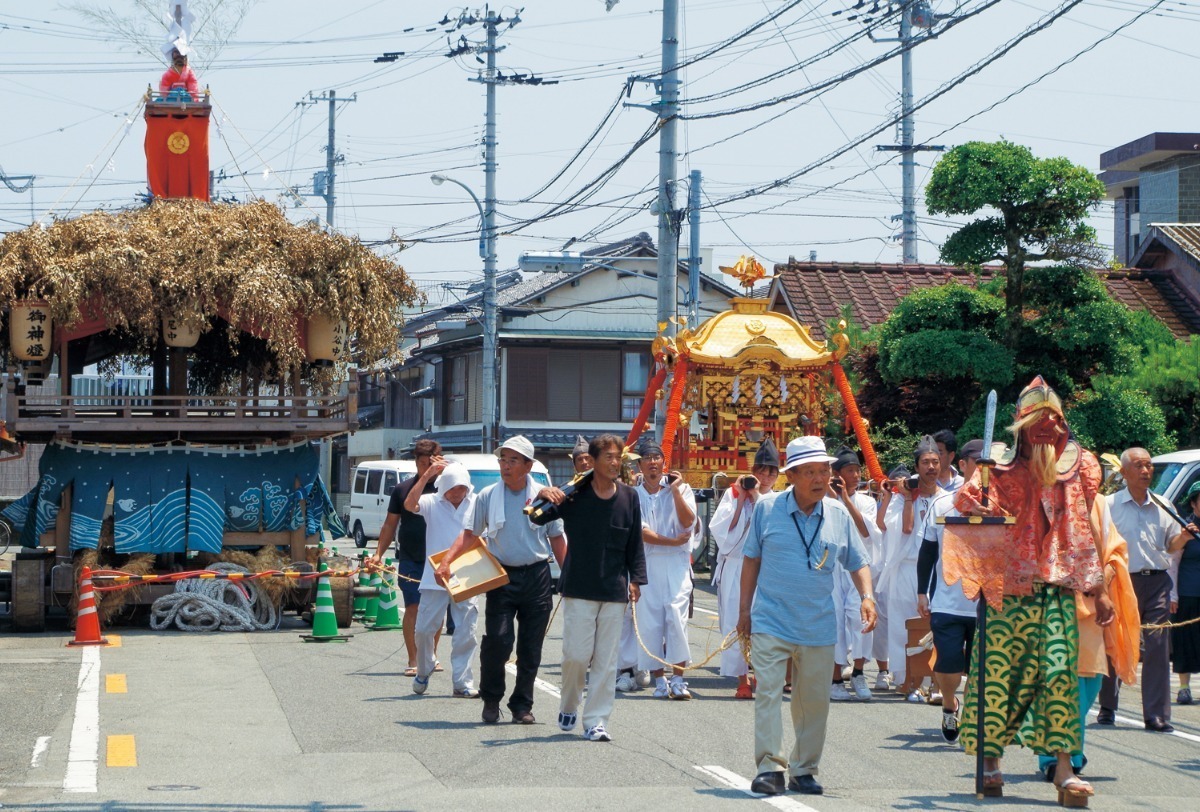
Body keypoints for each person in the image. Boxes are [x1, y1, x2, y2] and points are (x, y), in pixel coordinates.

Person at [952, 376, 1114, 804]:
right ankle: (990, 761)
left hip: (1056, 587)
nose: (1048, 431)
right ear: (1020, 428)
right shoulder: (996, 469)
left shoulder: (1079, 469)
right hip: (1007, 590)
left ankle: (1063, 768)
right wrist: (982, 502)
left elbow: (1082, 529)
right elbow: (965, 504)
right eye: (1039, 422)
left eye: (1055, 422)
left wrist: (1098, 590)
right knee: (997, 675)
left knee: (1060, 676)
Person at [740, 436, 877, 797]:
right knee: (768, 693)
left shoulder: (837, 514)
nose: (820, 478)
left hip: (818, 623)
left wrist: (867, 596)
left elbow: (858, 561)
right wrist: (744, 611)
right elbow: (751, 558)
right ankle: (770, 767)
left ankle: (804, 770)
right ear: (792, 475)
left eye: (825, 470)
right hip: (771, 618)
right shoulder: (767, 509)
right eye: (811, 472)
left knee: (814, 701)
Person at [437, 436, 567, 725]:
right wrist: (447, 561)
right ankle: (491, 699)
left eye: (512, 460)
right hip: (501, 575)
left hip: (537, 575)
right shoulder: (488, 496)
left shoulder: (544, 497)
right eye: (502, 459)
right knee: (497, 640)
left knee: (530, 647)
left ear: (528, 465)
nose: (505, 466)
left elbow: (556, 538)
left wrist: (567, 575)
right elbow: (470, 534)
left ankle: (522, 705)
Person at [531, 434, 647, 742]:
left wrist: (636, 579)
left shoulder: (629, 497)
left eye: (617, 456)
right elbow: (537, 515)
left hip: (614, 589)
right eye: (607, 456)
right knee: (576, 656)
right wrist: (543, 492)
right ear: (592, 461)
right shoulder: (574, 495)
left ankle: (596, 720)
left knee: (607, 662)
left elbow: (635, 542)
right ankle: (569, 704)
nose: (613, 462)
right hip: (580, 586)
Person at [1099, 447, 1192, 732]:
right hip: (1121, 581)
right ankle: (1107, 706)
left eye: (1149, 466)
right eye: (1139, 466)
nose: (1146, 471)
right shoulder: (1109, 505)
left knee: (1157, 646)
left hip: (1158, 583)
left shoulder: (1163, 504)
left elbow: (1170, 546)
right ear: (1124, 472)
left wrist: (1184, 537)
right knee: (1115, 642)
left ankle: (1156, 715)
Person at [709, 438, 781, 699]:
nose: (765, 475)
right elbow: (720, 529)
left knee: (763, 623)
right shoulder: (733, 492)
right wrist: (742, 500)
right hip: (737, 565)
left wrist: (756, 497)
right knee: (735, 620)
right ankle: (742, 678)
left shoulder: (779, 499)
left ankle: (761, 675)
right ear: (753, 471)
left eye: (771, 471)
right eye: (761, 470)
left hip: (765, 569)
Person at [405, 461, 479, 698]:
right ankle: (424, 670)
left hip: (467, 575)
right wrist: (427, 474)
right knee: (425, 629)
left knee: (467, 631)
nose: (457, 493)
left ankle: (462, 682)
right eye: (452, 488)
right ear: (443, 487)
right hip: (434, 575)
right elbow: (409, 504)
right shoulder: (431, 502)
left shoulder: (477, 503)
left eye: (461, 488)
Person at [878, 436, 945, 696]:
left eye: (935, 462)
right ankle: (907, 678)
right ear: (917, 467)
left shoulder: (948, 497)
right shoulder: (903, 497)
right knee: (903, 625)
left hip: (937, 570)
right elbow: (903, 530)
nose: (931, 467)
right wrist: (907, 498)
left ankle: (932, 679)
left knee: (935, 624)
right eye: (925, 462)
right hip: (907, 569)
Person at [633, 440, 699, 700]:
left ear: (663, 463)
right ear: (639, 464)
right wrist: (672, 541)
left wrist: (675, 492)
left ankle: (679, 679)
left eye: (656, 457)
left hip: (677, 564)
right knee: (651, 623)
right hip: (647, 563)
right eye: (646, 458)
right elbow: (641, 532)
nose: (652, 462)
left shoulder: (682, 489)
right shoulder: (633, 494)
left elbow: (688, 522)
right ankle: (659, 681)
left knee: (676, 619)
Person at [371, 439, 442, 678]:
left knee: (436, 610)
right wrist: (378, 554)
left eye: (431, 464)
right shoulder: (402, 490)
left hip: (439, 559)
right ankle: (413, 658)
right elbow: (390, 524)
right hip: (411, 558)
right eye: (423, 464)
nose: (427, 469)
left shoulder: (449, 488)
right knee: (413, 606)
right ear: (416, 463)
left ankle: (430, 656)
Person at [917, 484, 978, 743]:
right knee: (948, 663)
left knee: (982, 668)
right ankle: (950, 705)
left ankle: (977, 719)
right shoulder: (942, 504)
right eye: (976, 463)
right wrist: (922, 592)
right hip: (947, 601)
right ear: (963, 464)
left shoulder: (1001, 504)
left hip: (986, 603)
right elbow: (927, 551)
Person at [829, 446, 878, 702]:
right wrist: (833, 495)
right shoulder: (823, 500)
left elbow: (865, 532)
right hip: (831, 568)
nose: (857, 475)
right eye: (850, 471)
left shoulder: (867, 501)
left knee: (861, 618)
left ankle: (858, 672)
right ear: (836, 474)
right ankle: (836, 678)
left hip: (858, 568)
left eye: (858, 470)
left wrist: (846, 500)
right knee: (833, 621)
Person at [1172, 482, 1200, 706]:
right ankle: (1183, 688)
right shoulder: (1186, 528)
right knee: (1185, 641)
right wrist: (1172, 595)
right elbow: (1172, 563)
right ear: (1193, 503)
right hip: (1188, 592)